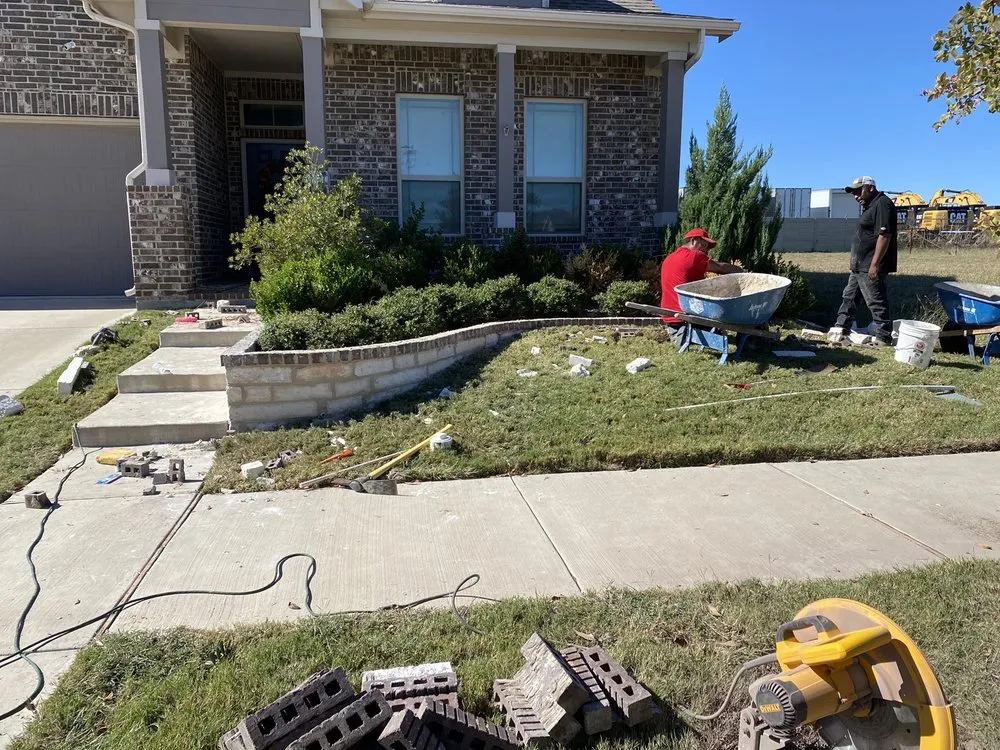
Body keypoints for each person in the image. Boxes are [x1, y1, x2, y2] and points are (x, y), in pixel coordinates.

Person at [829, 176, 898, 345]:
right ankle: (841, 328)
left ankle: (883, 337)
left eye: (859, 190)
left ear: (870, 188)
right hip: (859, 266)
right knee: (849, 297)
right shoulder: (870, 206)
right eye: (853, 192)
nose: (856, 195)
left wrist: (874, 264)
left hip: (870, 265)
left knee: (875, 300)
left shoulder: (882, 204)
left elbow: (885, 235)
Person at [659, 227, 744, 343]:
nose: (706, 250)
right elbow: (720, 268)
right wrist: (739, 271)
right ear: (693, 240)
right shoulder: (693, 256)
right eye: (704, 245)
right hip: (686, 316)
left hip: (671, 319)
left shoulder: (669, 258)